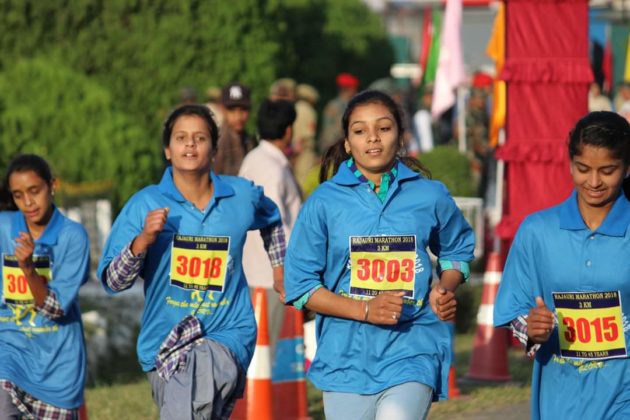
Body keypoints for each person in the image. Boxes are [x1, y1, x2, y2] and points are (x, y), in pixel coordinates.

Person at [284, 90, 475, 420]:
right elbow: (300, 287)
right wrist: (365, 309)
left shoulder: (429, 194)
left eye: (384, 128)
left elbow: (456, 250)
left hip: (413, 348)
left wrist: (445, 286)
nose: (372, 138)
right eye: (360, 131)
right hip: (345, 357)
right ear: (347, 142)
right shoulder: (323, 203)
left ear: (401, 136)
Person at [97, 104, 285, 419]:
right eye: (181, 137)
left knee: (196, 378)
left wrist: (279, 269)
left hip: (227, 333)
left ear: (213, 148)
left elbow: (272, 219)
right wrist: (141, 241)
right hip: (164, 342)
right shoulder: (145, 203)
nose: (190, 144)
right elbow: (114, 282)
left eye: (200, 137)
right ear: (167, 150)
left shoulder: (241, 195)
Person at [494, 111, 630, 419]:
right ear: (570, 164)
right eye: (583, 169)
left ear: (626, 168)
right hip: (559, 399)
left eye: (607, 170)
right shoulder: (537, 231)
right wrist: (531, 329)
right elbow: (511, 308)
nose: (594, 182)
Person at [0, 154, 89, 419]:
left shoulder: (73, 236)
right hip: (9, 356)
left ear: (53, 186)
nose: (27, 203)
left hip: (57, 369)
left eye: (34, 191)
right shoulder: (4, 227)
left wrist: (27, 268)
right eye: (18, 195)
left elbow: (56, 308)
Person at [239, 99, 302, 354]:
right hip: (270, 273)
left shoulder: (256, 158)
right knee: (269, 347)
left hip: (258, 268)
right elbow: (277, 225)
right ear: (288, 130)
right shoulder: (270, 167)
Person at [214, 82, 255, 175]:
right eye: (232, 110)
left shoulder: (248, 139)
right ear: (222, 109)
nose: (238, 116)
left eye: (243, 109)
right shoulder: (218, 141)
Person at [318, 72, 359, 154]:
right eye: (355, 88)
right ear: (349, 89)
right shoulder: (345, 106)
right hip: (338, 147)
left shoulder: (332, 104)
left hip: (328, 146)